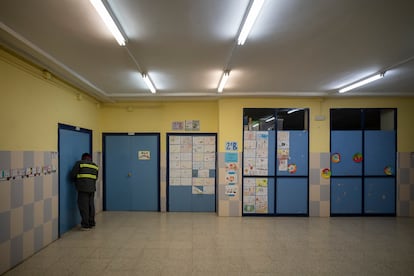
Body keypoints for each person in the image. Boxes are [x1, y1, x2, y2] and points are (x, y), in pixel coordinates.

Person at [70, 153, 99, 231]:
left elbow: (72, 175)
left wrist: (75, 181)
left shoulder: (79, 163)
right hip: (92, 188)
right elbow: (96, 177)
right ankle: (91, 222)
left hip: (83, 188)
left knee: (84, 206)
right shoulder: (95, 166)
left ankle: (85, 225)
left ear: (83, 158)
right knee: (91, 205)